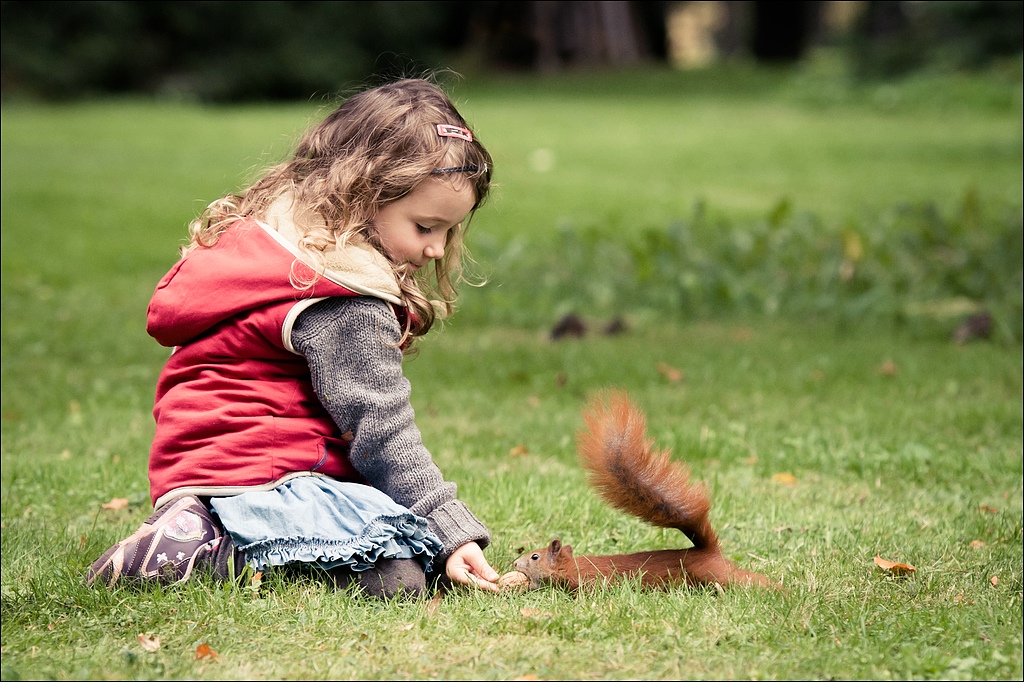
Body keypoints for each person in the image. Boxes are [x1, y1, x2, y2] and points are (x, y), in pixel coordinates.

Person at [87, 78, 500, 599]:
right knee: (399, 576)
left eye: (449, 231)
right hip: (271, 476)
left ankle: (195, 527)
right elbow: (381, 427)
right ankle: (207, 551)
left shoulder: (279, 242)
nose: (437, 249)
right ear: (365, 195)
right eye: (424, 227)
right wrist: (446, 527)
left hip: (197, 471)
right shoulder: (343, 294)